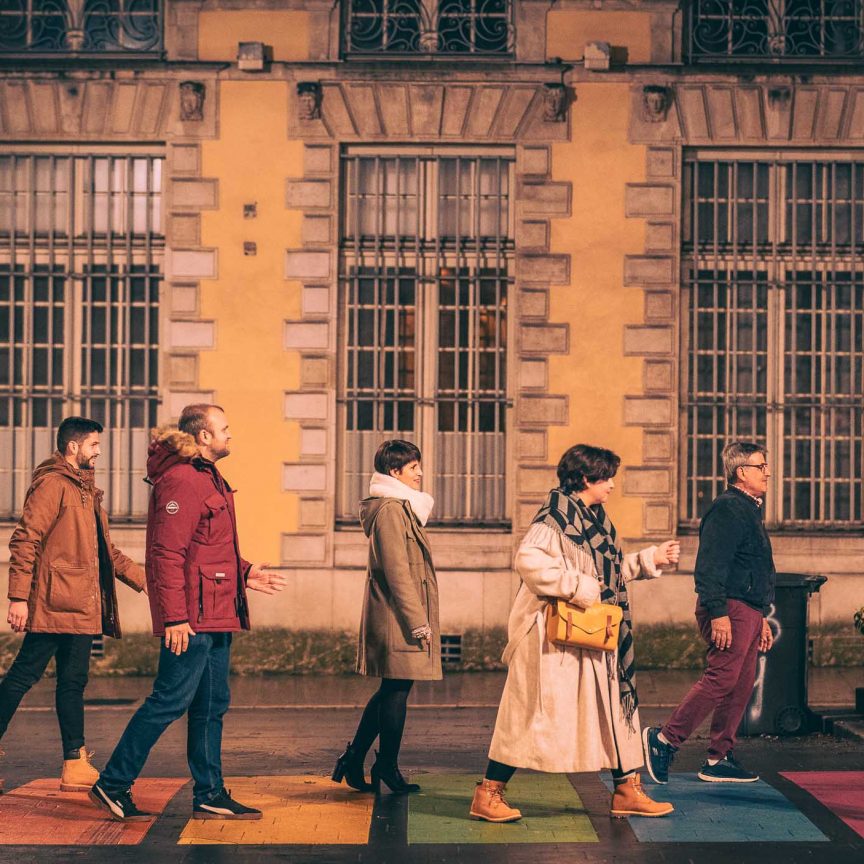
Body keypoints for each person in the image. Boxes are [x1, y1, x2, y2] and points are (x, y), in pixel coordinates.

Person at [89, 404, 287, 821]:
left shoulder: (207, 476)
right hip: (192, 616)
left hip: (216, 610)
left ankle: (210, 792)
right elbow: (166, 553)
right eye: (224, 428)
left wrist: (245, 573)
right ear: (203, 436)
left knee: (212, 705)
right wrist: (175, 617)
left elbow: (208, 547)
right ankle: (113, 783)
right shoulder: (181, 479)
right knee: (169, 700)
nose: (230, 435)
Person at [470, 444, 678, 823]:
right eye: (606, 477)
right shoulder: (554, 518)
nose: (612, 484)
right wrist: (580, 586)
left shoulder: (596, 522)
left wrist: (649, 559)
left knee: (611, 710)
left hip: (589, 634)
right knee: (530, 717)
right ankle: (488, 792)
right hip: (550, 640)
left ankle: (626, 789)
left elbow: (608, 574)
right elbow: (529, 563)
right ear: (585, 478)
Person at [1, 417, 146, 793]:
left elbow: (105, 552)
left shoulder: (86, 490)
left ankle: (75, 763)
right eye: (93, 445)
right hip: (53, 603)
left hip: (83, 605)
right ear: (73, 447)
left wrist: (146, 581)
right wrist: (18, 597)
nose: (98, 451)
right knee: (22, 677)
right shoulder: (53, 484)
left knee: (73, 683)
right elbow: (25, 539)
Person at [643, 441, 775, 785]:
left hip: (747, 609)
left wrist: (760, 616)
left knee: (740, 684)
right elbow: (711, 565)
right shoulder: (728, 508)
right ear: (741, 472)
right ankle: (664, 739)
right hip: (729, 606)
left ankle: (718, 757)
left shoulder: (748, 509)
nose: (768, 473)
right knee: (722, 678)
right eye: (761, 467)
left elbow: (749, 567)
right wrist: (718, 612)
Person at [332, 440, 441, 795]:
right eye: (413, 468)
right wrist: (418, 621)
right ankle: (384, 766)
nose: (420, 473)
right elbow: (397, 572)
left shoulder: (401, 507)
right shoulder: (392, 510)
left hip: (397, 614)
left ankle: (357, 759)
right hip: (396, 616)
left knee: (393, 689)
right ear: (395, 472)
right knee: (395, 691)